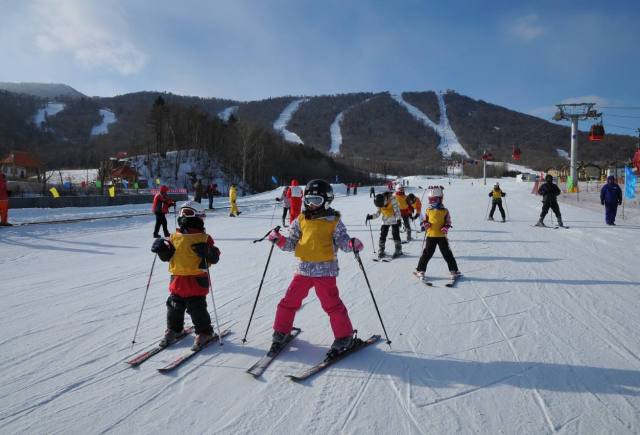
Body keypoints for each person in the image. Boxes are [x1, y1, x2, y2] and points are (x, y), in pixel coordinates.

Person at [267, 179, 363, 357]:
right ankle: (281, 331)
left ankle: (344, 337)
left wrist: (351, 244)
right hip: (303, 270)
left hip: (325, 272)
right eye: (309, 200)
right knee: (289, 301)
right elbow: (291, 244)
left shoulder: (333, 221)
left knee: (332, 305)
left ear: (327, 200)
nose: (311, 204)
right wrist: (278, 239)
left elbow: (342, 241)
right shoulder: (301, 219)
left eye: (316, 201)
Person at [151, 201, 221, 350]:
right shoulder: (174, 237)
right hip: (178, 280)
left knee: (196, 308)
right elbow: (167, 256)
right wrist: (161, 249)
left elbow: (215, 257)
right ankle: (175, 329)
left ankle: (204, 332)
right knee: (175, 306)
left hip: (194, 281)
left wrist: (208, 251)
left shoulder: (203, 238)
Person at [413, 186, 460, 282]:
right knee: (427, 254)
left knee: (447, 254)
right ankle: (420, 270)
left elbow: (448, 222)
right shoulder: (428, 210)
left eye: (434, 199)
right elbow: (424, 220)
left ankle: (454, 270)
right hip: (431, 236)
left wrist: (445, 227)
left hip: (442, 236)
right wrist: (425, 224)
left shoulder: (445, 211)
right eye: (430, 200)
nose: (432, 202)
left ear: (440, 199)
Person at [366, 191, 403, 259]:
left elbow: (397, 211)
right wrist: (371, 217)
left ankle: (398, 249)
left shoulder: (392, 200)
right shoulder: (379, 203)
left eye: (381, 205)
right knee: (383, 234)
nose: (381, 207)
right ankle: (381, 250)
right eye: (379, 206)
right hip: (385, 220)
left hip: (394, 219)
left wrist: (399, 219)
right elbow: (377, 214)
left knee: (395, 234)